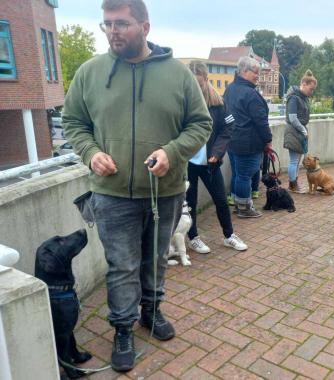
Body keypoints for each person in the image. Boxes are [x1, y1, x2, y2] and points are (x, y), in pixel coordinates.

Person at [62, 0, 212, 372]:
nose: (113, 31)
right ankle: (123, 328)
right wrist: (91, 152)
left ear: (144, 27)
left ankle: (152, 310)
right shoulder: (89, 72)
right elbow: (73, 123)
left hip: (166, 191)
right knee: (122, 266)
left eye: (122, 23)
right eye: (107, 24)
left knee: (156, 258)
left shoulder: (178, 75)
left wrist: (172, 152)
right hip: (111, 193)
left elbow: (200, 124)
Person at [186, 61, 248, 253]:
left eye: (200, 83)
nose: (196, 87)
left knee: (221, 199)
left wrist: (217, 152)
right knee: (190, 201)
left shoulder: (218, 103)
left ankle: (229, 235)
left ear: (206, 79)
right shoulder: (182, 101)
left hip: (210, 163)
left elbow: (228, 128)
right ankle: (193, 237)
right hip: (187, 162)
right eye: (192, 83)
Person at [224, 56, 272, 218]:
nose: (258, 75)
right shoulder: (250, 94)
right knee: (245, 175)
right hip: (248, 143)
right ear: (244, 71)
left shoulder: (230, 89)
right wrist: (268, 140)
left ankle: (239, 204)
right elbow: (261, 121)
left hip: (232, 141)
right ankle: (244, 208)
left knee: (238, 174)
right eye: (255, 72)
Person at [283, 69, 317, 193]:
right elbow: (292, 118)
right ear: (303, 84)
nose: (311, 92)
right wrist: (303, 130)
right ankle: (292, 185)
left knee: (296, 161)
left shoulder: (302, 98)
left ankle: (294, 183)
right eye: (310, 89)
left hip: (299, 132)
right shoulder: (294, 98)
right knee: (294, 160)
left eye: (313, 89)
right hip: (294, 131)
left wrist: (303, 130)